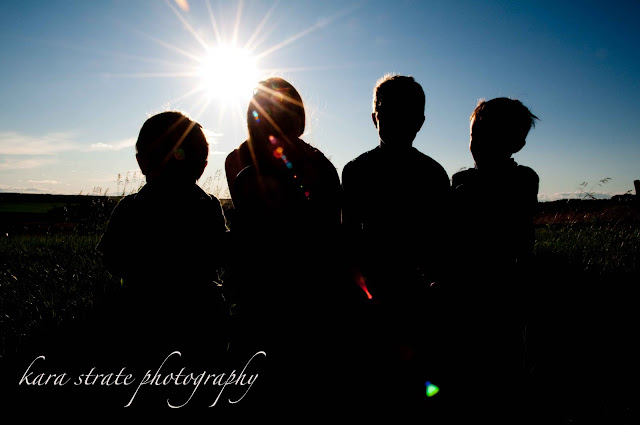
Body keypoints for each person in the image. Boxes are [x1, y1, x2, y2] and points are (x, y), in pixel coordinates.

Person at [224, 77, 354, 412]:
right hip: (295, 293)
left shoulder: (241, 162)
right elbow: (331, 234)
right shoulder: (314, 164)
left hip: (274, 292)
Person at [95, 111, 230, 388]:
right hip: (202, 318)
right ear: (202, 167)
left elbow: (112, 259)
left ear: (141, 162)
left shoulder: (130, 208)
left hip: (142, 317)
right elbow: (222, 254)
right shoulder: (207, 206)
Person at [340, 74, 451, 410]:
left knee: (397, 379)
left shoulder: (430, 174)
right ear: (375, 118)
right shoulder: (360, 171)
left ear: (419, 122)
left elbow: (441, 240)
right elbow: (348, 239)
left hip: (411, 293)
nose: (395, 121)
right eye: (389, 112)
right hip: (379, 293)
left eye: (404, 114)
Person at [445, 97, 540, 420]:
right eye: (475, 135)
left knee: (503, 371)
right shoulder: (461, 182)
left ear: (517, 144)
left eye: (490, 137)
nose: (478, 144)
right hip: (464, 292)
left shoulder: (523, 179)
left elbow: (511, 233)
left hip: (503, 291)